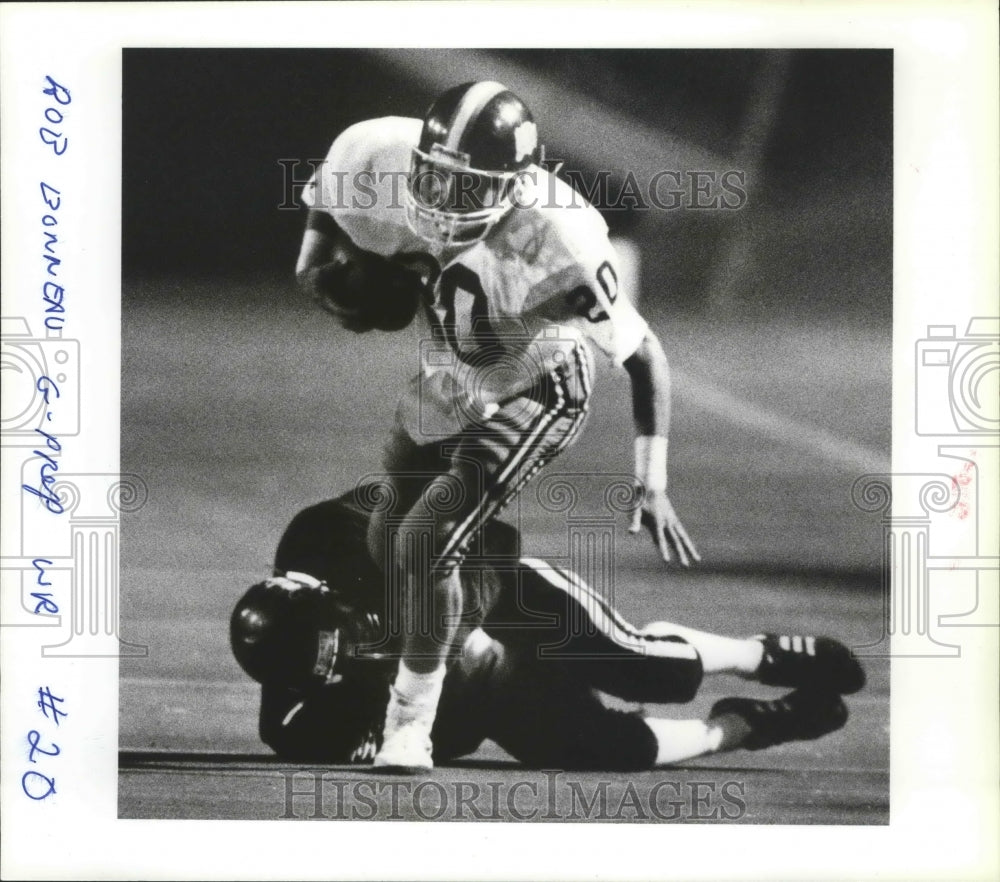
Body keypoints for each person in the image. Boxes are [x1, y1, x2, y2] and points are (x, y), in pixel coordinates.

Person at [294, 81, 700, 771]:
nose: (442, 200)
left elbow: (647, 357)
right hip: (456, 369)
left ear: (515, 186)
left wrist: (652, 482)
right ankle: (460, 617)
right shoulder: (377, 155)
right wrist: (322, 276)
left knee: (424, 541)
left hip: (540, 381)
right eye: (434, 177)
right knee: (387, 534)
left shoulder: (560, 238)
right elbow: (321, 231)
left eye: (468, 187)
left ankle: (409, 725)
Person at [230, 490, 865, 770]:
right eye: (345, 659)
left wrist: (456, 625)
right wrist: (446, 692)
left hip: (506, 600)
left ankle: (755, 653)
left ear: (322, 587)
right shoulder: (296, 726)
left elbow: (490, 533)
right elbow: (449, 741)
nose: (365, 642)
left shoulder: (333, 533)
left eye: (354, 626)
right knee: (601, 750)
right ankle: (744, 727)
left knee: (650, 669)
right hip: (471, 685)